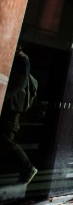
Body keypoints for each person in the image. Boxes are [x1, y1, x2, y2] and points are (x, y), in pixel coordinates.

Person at [0, 47, 37, 185]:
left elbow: (20, 83)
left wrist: (4, 95)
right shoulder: (19, 58)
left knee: (6, 140)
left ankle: (28, 167)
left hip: (12, 107)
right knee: (5, 140)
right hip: (10, 105)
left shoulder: (22, 59)